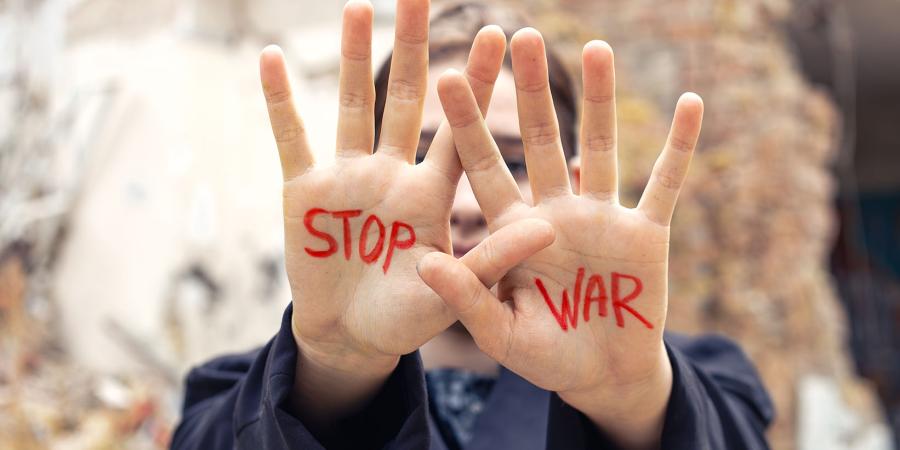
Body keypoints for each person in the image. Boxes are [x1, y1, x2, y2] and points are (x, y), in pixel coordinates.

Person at [171, 1, 774, 449]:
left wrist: (632, 403)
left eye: (507, 161)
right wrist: (334, 369)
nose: (459, 204)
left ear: (573, 183)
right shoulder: (242, 393)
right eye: (423, 160)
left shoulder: (696, 384)